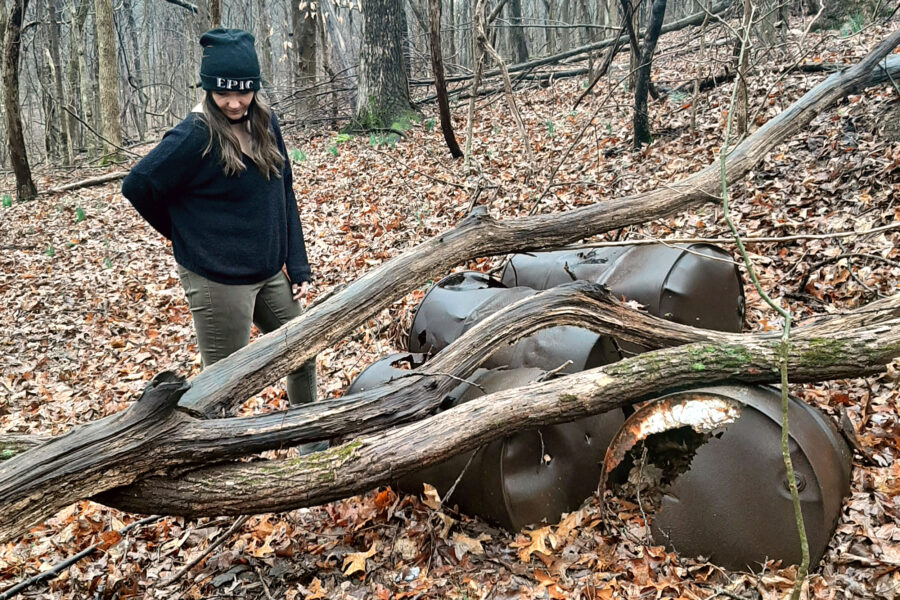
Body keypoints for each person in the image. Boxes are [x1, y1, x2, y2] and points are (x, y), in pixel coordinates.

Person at [122, 28, 317, 411]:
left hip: (267, 270)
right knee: (222, 387)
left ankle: (310, 442)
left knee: (302, 352)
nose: (233, 102)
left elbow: (284, 191)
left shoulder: (265, 122)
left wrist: (297, 262)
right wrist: (185, 235)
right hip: (218, 278)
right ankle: (212, 458)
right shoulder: (194, 135)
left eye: (242, 91)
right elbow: (138, 184)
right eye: (222, 93)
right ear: (207, 89)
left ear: (255, 87)